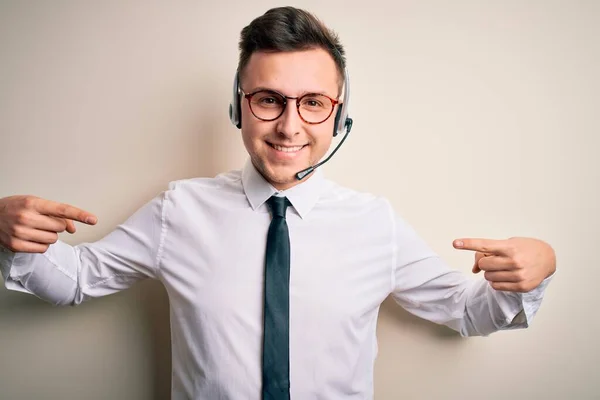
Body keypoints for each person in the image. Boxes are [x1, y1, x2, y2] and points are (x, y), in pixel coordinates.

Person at [0, 6, 555, 400]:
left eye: (313, 103)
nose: (290, 126)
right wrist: (12, 239)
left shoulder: (374, 223)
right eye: (269, 100)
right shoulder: (179, 211)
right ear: (239, 108)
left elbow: (466, 311)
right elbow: (73, 281)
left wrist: (532, 272)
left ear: (338, 117)